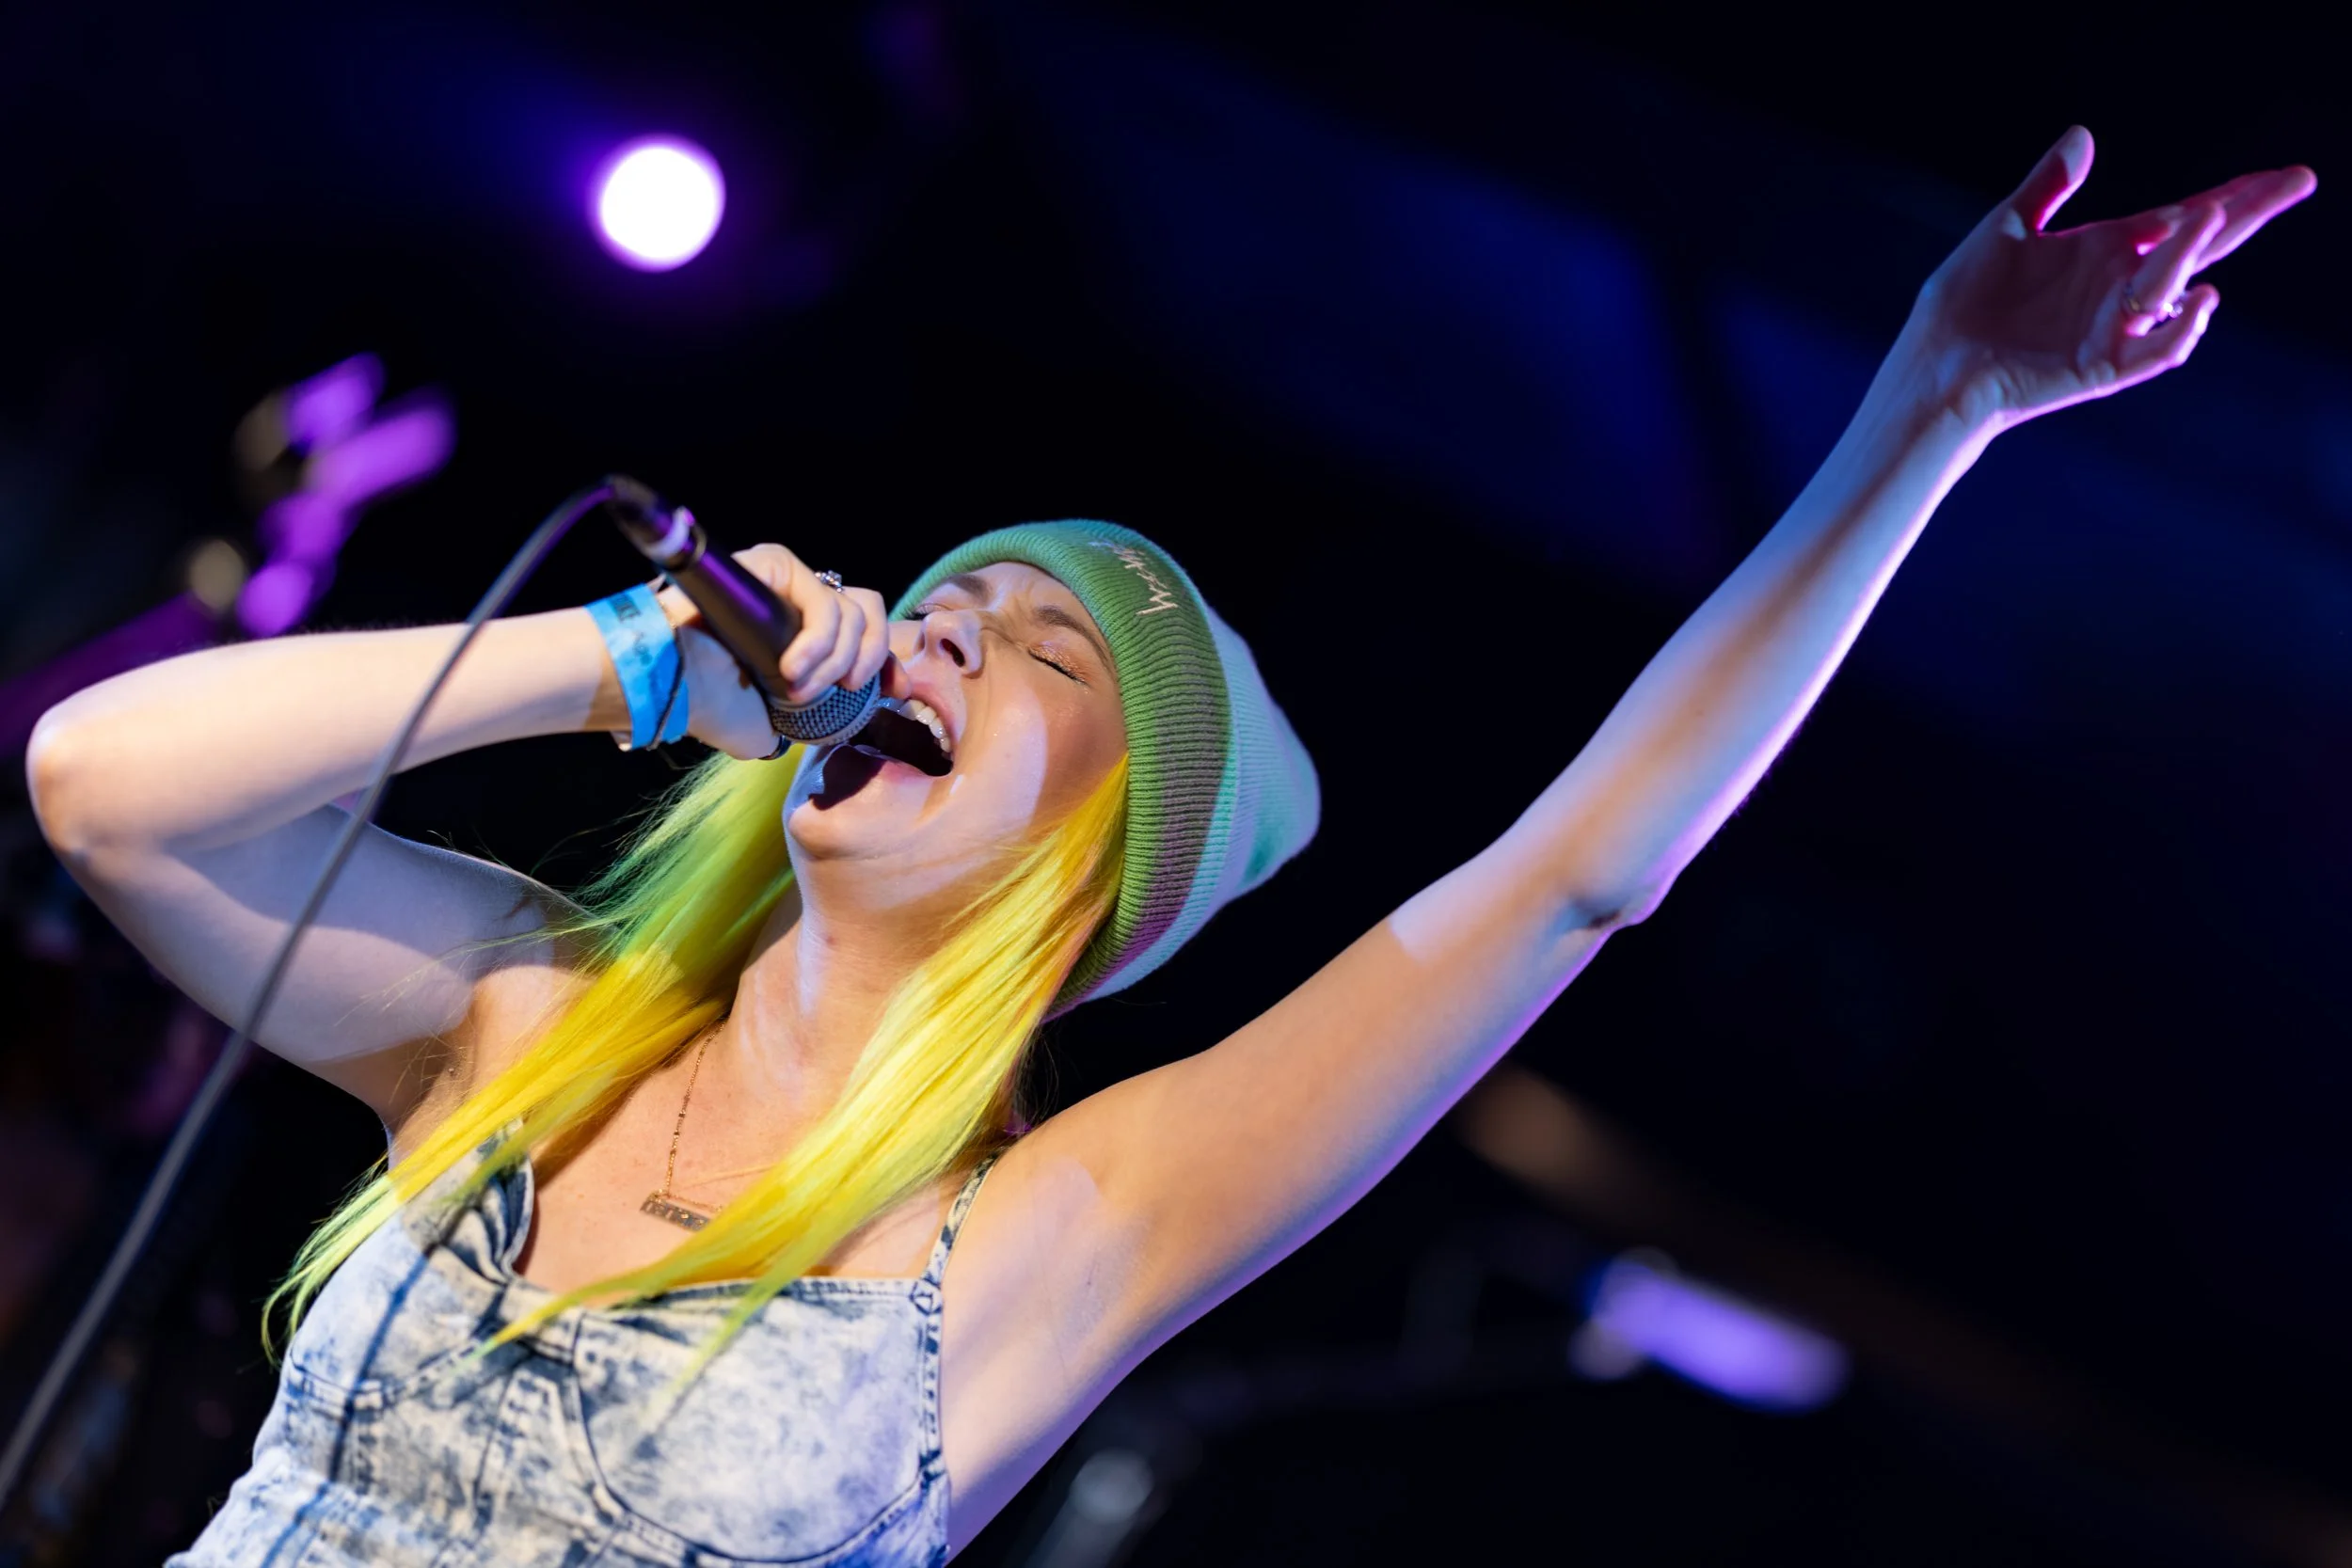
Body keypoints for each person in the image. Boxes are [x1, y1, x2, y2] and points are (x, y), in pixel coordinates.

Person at [25, 129, 2312, 1564]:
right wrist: (620, 654)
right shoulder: (539, 1020)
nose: (938, 628)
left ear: (1103, 865)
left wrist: (1927, 410)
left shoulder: (1048, 1237)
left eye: (1037, 652)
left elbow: (1571, 874)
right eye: (946, 599)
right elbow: (103, 784)